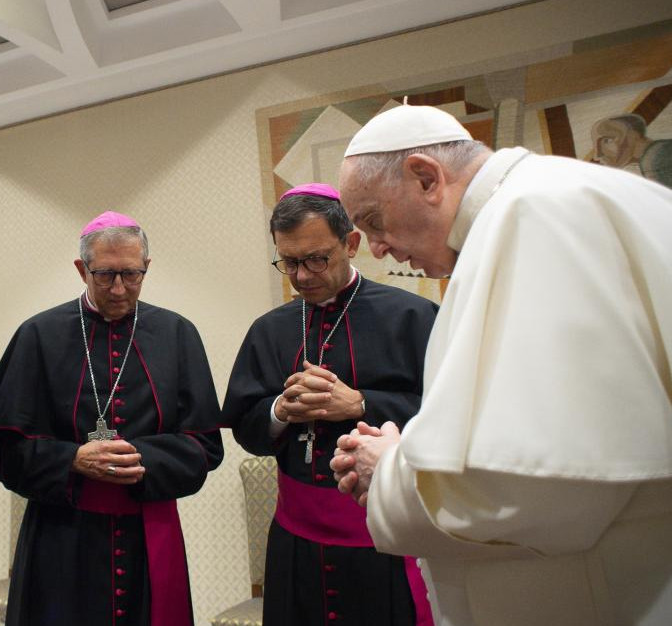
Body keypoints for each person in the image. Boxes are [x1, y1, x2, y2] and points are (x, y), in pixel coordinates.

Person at [331, 104, 672, 625]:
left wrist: (391, 468)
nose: (377, 249)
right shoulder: (560, 197)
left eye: (374, 221)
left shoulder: (533, 215)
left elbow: (541, 486)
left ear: (426, 177)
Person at [0, 211, 224, 626]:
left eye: (131, 275)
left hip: (149, 535)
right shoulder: (38, 335)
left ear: (146, 267)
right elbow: (1, 447)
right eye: (104, 274)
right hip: (60, 536)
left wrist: (140, 457)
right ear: (81, 269)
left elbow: (206, 446)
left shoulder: (178, 334)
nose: (118, 288)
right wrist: (72, 460)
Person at [221, 183, 438, 625]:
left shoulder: (413, 317)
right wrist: (280, 411)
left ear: (351, 243)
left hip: (385, 539)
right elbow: (244, 426)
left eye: (317, 259)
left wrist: (361, 404)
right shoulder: (269, 330)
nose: (302, 276)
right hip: (296, 541)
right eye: (290, 262)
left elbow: (449, 420)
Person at [591, 113, 672, 188]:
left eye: (607, 140)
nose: (597, 155)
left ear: (633, 136)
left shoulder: (655, 159)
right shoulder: (658, 152)